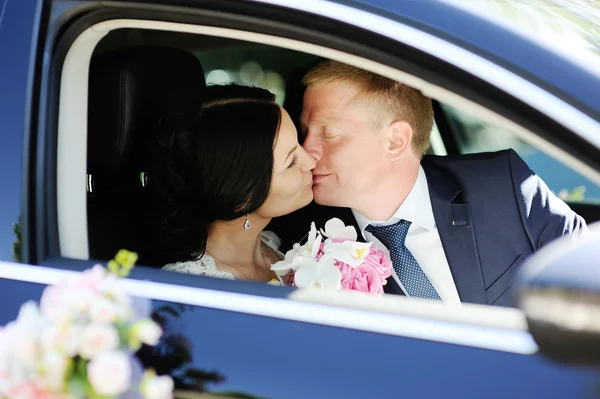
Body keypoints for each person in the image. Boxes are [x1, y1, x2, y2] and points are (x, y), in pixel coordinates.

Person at [297, 60, 587, 306]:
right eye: (304, 132)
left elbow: (588, 275)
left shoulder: (503, 188)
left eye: (329, 134)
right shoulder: (303, 249)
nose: (305, 151)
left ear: (395, 141)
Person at [148, 84, 315, 282]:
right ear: (242, 194)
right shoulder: (195, 287)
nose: (311, 162)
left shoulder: (273, 245)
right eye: (291, 161)